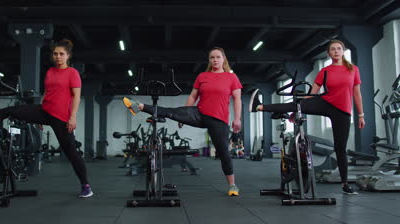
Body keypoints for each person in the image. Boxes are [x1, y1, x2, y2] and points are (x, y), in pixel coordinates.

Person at [0, 39, 93, 198]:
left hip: (61, 117)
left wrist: (72, 117)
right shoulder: (50, 72)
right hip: (44, 111)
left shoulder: (72, 73)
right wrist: (39, 116)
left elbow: (76, 97)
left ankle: (85, 186)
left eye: (61, 54)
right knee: (11, 110)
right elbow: (47, 93)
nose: (58, 56)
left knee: (72, 153)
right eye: (55, 54)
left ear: (68, 56)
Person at [249, 39, 364, 195]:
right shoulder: (325, 71)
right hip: (325, 103)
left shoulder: (353, 69)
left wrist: (361, 115)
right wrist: (298, 109)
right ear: (329, 53)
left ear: (343, 51)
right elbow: (312, 93)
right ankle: (259, 106)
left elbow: (357, 93)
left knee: (340, 148)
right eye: (333, 49)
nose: (336, 51)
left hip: (342, 111)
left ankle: (345, 184)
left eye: (339, 48)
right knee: (296, 102)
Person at [123, 47, 243, 196]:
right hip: (199, 113)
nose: (215, 60)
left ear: (223, 59)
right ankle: (140, 106)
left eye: (218, 57)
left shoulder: (231, 78)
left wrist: (237, 119)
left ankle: (232, 186)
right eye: (212, 58)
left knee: (224, 153)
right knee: (172, 112)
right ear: (209, 60)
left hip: (218, 119)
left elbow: (237, 99)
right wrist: (183, 116)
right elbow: (193, 97)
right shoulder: (202, 76)